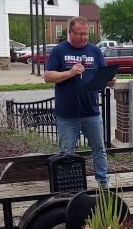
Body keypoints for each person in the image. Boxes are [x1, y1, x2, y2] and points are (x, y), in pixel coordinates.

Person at [44, 18, 114, 187]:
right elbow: (48, 76)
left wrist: (109, 80)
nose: (84, 37)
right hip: (67, 114)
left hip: (91, 112)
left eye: (86, 34)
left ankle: (103, 183)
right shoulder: (59, 51)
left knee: (99, 150)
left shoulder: (95, 51)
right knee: (66, 153)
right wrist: (70, 72)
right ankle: (68, 186)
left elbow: (102, 75)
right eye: (80, 34)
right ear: (70, 32)